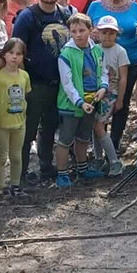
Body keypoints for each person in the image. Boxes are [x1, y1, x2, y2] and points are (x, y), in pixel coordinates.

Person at [12, 0, 71, 186]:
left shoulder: (65, 14)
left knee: (49, 128)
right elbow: (16, 50)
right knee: (27, 132)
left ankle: (46, 166)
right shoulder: (28, 17)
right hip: (35, 84)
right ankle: (20, 174)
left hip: (60, 84)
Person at [89, 0, 137, 149]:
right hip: (101, 62)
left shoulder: (134, 7)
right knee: (101, 101)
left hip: (130, 61)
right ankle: (100, 145)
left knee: (121, 102)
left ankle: (115, 143)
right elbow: (87, 33)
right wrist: (93, 35)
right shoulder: (95, 7)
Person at [54, 13, 109, 187]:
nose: (78, 34)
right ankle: (62, 173)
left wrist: (103, 87)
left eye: (82, 30)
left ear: (90, 30)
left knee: (84, 137)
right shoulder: (66, 54)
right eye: (74, 31)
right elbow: (67, 83)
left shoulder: (97, 50)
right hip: (72, 105)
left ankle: (82, 168)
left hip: (92, 101)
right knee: (65, 138)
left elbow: (104, 72)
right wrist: (79, 102)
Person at [0, 39, 31, 196]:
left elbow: (25, 95)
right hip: (1, 124)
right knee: (1, 157)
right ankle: (1, 186)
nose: (14, 57)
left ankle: (15, 184)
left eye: (19, 54)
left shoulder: (25, 76)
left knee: (16, 155)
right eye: (11, 53)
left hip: (20, 123)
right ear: (4, 54)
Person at [93, 15, 130, 176]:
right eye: (104, 32)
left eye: (111, 33)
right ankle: (98, 157)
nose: (107, 36)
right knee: (95, 125)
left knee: (98, 125)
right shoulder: (94, 49)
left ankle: (114, 161)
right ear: (98, 33)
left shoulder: (120, 51)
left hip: (111, 93)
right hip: (95, 93)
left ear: (116, 34)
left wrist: (120, 99)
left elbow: (123, 78)